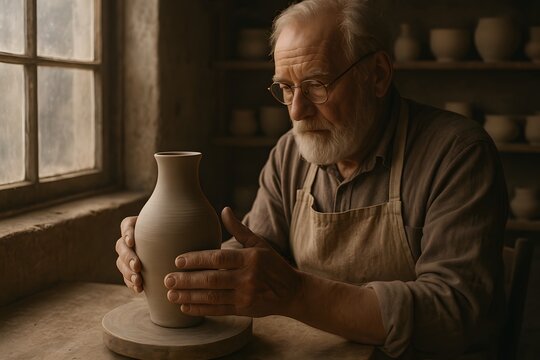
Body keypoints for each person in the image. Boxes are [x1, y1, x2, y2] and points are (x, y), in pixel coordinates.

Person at [115, 0, 508, 358]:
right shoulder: (290, 154)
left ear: (378, 75)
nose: (298, 111)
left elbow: (452, 313)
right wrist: (163, 257)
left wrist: (297, 294)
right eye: (285, 88)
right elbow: (257, 254)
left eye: (317, 85)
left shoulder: (457, 154)